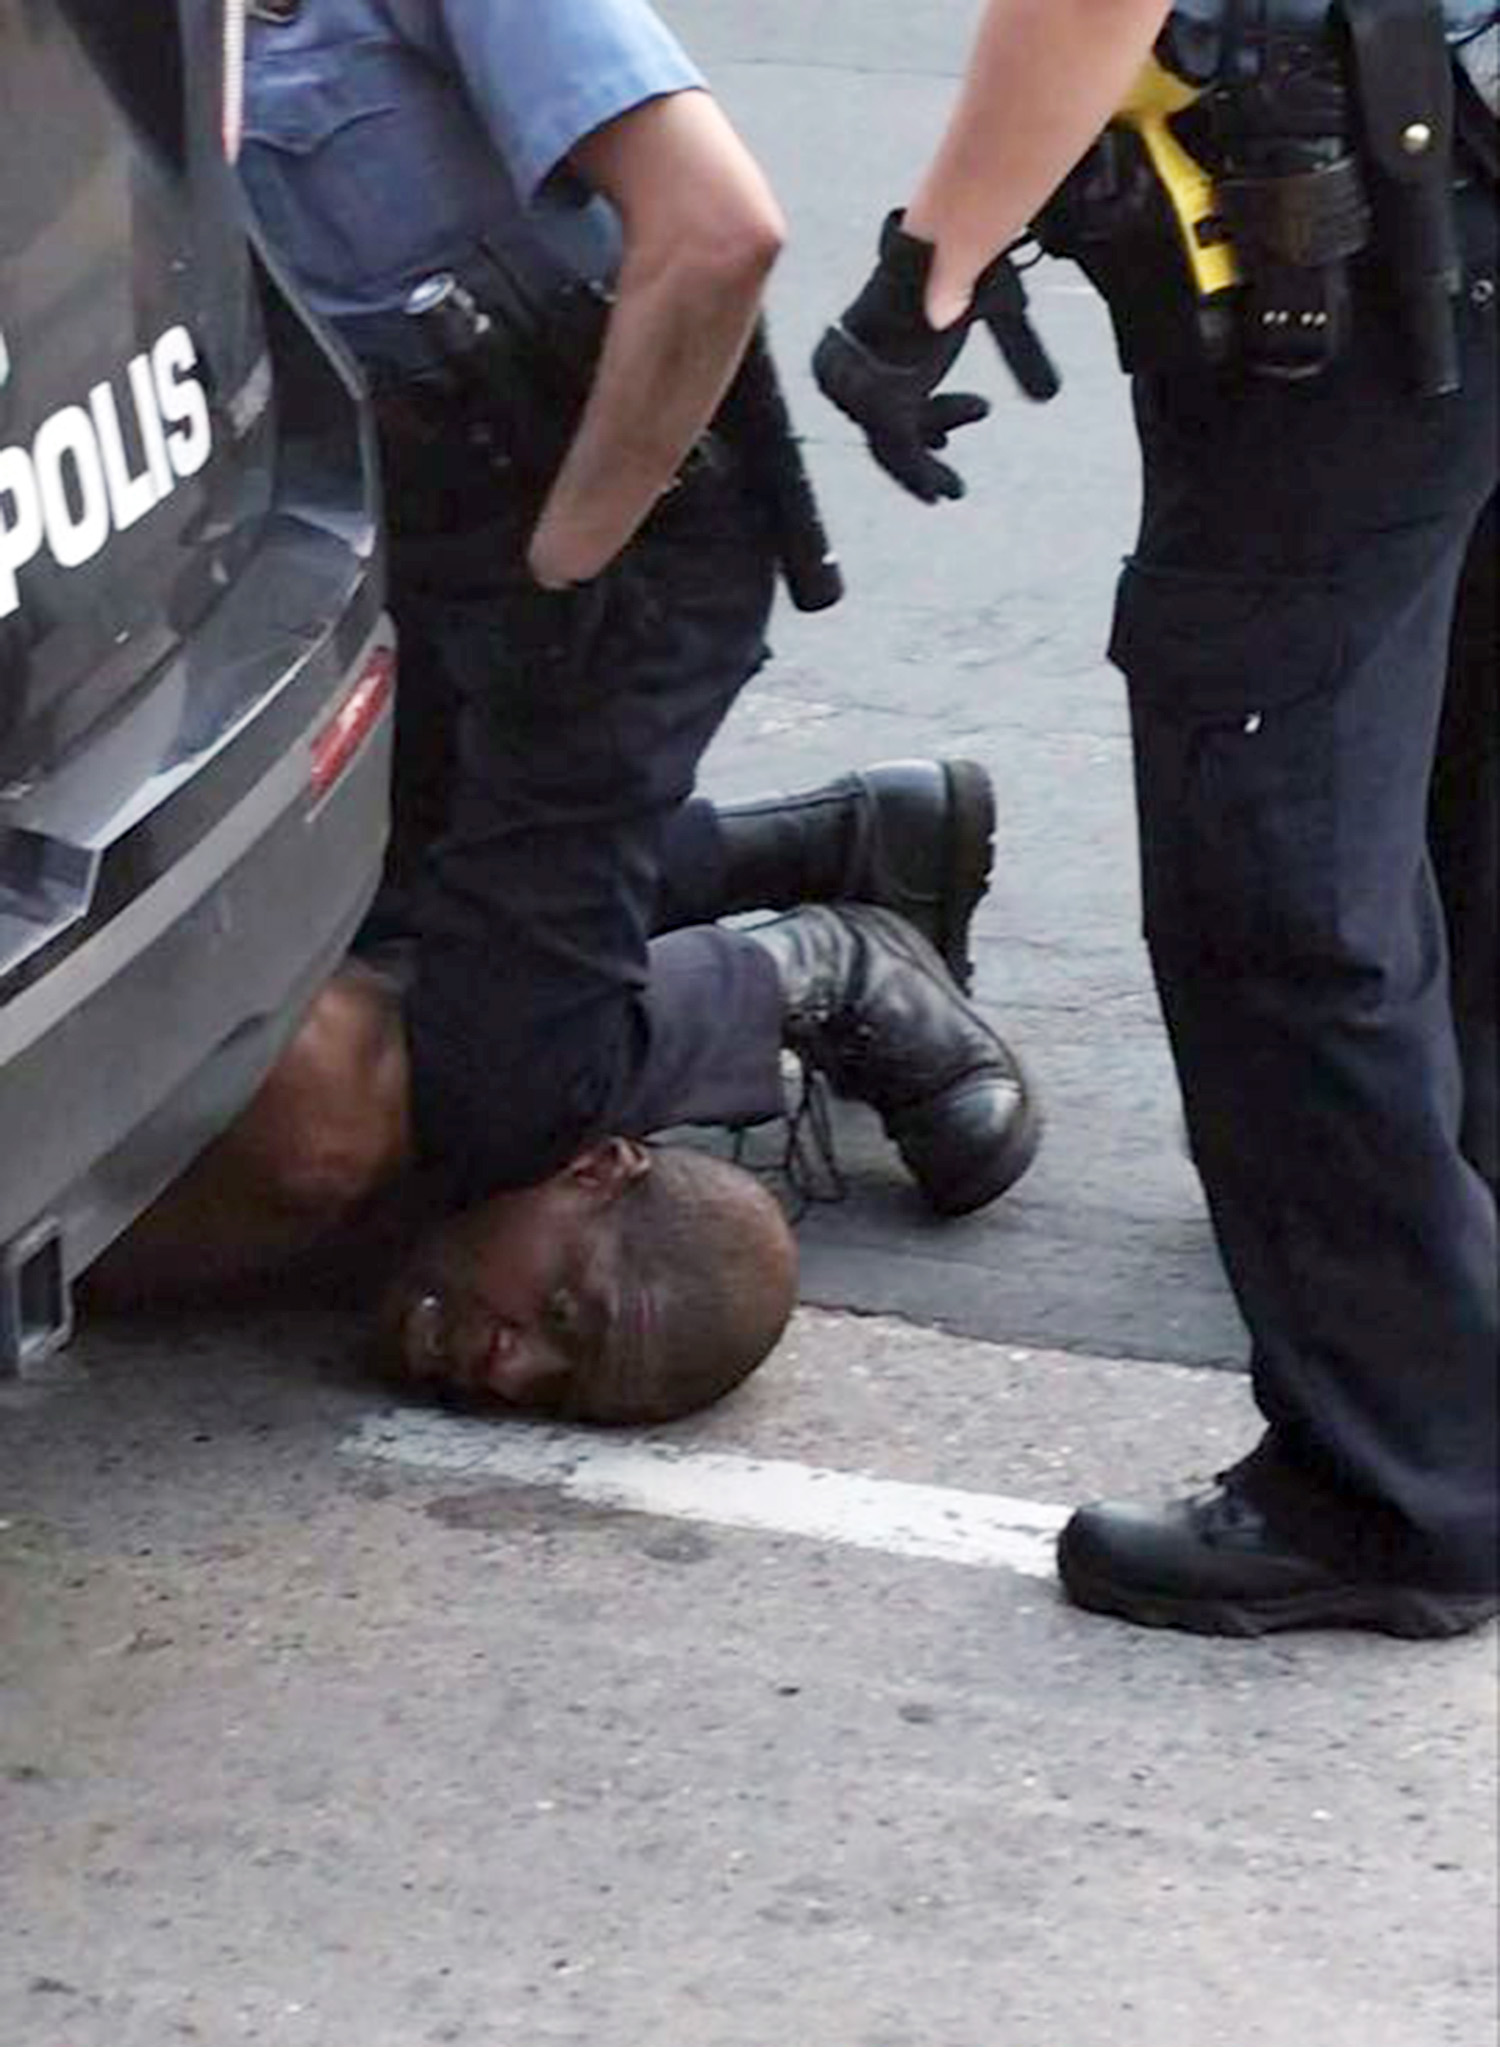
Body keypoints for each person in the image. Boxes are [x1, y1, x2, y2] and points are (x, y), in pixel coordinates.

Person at [815, 0, 1498, 1635]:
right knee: (1461, 769)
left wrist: (925, 279)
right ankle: (1441, 1278)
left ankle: (1396, 1485)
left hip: (1362, 245)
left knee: (1277, 874)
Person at [235, 0, 1040, 1236]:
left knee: (495, 1102)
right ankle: (837, 840)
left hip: (610, 551)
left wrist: (568, 558)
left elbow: (717, 232)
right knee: (375, 939)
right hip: (387, 541)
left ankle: (816, 964)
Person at [86, 759, 1017, 1425]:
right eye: (564, 1316)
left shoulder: (429, 1257)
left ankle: (814, 845)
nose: (510, 1368)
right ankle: (811, 966)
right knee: (434, 1101)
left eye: (556, 1393)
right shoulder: (333, 1129)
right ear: (599, 1165)